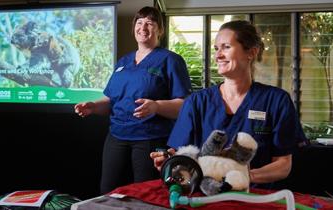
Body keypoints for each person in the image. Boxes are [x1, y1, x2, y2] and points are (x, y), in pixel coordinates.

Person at [150, 20, 308, 189]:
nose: (218, 55)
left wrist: (242, 176)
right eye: (216, 48)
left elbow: (283, 165)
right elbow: (182, 156)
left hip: (256, 199)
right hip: (206, 197)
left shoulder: (276, 101)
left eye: (226, 47)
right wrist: (171, 161)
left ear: (251, 53)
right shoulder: (197, 102)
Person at [74, 6, 192, 194]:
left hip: (149, 139)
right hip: (116, 137)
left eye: (150, 23)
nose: (143, 27)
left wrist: (156, 106)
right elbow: (110, 100)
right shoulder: (123, 62)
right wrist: (93, 106)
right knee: (108, 192)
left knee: (145, 194)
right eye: (139, 22)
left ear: (160, 30)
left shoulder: (171, 60)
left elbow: (184, 106)